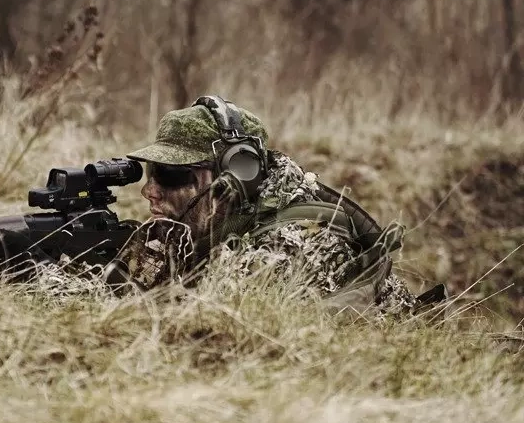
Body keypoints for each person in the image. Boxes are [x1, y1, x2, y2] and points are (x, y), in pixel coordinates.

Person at [103, 95, 443, 316]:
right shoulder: (215, 226)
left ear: (236, 175)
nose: (149, 190)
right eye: (152, 171)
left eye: (169, 175)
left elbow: (213, 334)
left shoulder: (298, 241)